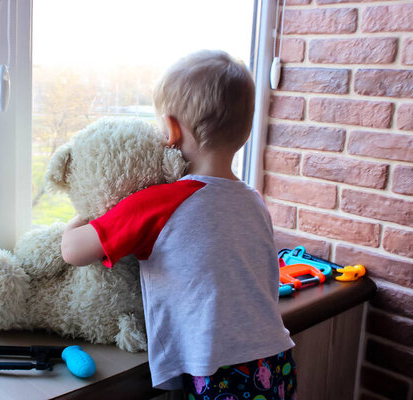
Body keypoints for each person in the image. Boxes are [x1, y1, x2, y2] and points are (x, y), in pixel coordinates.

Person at [61, 50, 296, 400]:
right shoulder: (253, 200)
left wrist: (91, 210)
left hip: (219, 372)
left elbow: (72, 251)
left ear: (171, 129)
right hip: (277, 362)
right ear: (245, 132)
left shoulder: (159, 202)